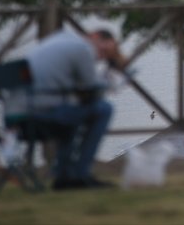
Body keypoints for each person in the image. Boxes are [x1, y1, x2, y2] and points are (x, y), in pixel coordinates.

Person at [26, 27, 126, 190]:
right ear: (94, 36)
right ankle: (80, 174)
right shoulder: (82, 48)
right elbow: (91, 87)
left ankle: (64, 174)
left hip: (24, 113)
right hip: (47, 112)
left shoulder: (60, 39)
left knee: (77, 113)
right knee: (104, 109)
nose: (101, 56)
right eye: (103, 51)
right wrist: (114, 78)